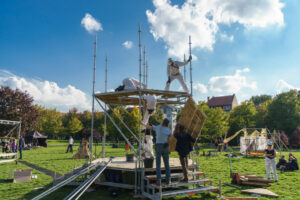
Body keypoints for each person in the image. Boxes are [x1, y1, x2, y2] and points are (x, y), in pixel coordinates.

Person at [146, 118, 172, 185]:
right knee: (167, 164)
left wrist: (144, 123)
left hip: (158, 146)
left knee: (158, 164)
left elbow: (149, 127)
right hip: (166, 146)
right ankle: (168, 180)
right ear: (168, 124)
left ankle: (159, 180)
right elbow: (170, 139)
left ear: (163, 122)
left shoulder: (158, 128)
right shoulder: (169, 130)